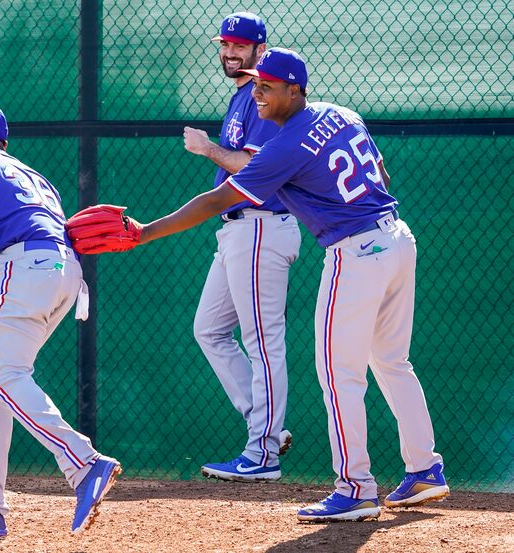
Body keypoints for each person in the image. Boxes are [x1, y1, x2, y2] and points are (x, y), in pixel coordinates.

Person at [84, 48, 449, 521]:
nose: (256, 92)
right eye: (255, 83)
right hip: (397, 239)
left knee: (340, 376)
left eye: (268, 86)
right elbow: (380, 173)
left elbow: (218, 198)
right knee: (393, 363)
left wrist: (145, 232)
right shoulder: (342, 113)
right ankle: (424, 469)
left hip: (356, 252)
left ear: (294, 90)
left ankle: (356, 487)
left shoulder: (285, 146)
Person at [0, 104, 121, 540]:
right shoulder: (34, 176)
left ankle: (84, 463)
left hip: (22, 268)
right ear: (5, 144)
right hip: (63, 273)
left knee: (1, 376)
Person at [184, 12, 300, 482]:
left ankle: (263, 453)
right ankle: (266, 424)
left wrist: (208, 148)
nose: (230, 52)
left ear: (260, 49)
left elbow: (250, 170)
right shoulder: (243, 96)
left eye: (240, 45)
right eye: (225, 44)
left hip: (261, 225)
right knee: (208, 329)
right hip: (237, 230)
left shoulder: (264, 96)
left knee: (262, 342)